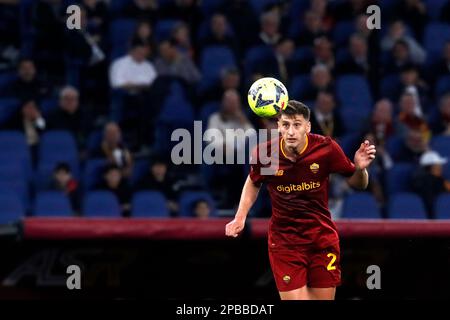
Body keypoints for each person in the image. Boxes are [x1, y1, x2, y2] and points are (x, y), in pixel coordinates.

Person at [225, 101, 376, 300]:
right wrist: (240, 217)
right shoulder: (266, 154)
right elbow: (253, 182)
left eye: (297, 125)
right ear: (278, 126)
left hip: (321, 239)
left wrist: (360, 169)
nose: (291, 131)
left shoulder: (326, 149)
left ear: (308, 127)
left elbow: (359, 184)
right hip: (285, 242)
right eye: (286, 125)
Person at [412, 150, 450, 219]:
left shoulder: (417, 180)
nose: (441, 167)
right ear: (432, 167)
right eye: (438, 165)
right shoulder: (439, 182)